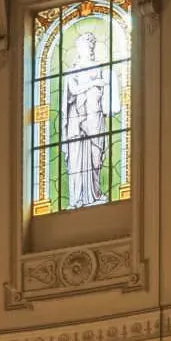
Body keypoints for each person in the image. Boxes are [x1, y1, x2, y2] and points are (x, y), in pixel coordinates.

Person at [61, 27, 110, 210]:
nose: (88, 49)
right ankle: (77, 198)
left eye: (90, 46)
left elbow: (106, 90)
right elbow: (72, 91)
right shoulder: (72, 70)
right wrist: (93, 83)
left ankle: (94, 193)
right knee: (76, 156)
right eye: (84, 46)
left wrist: (98, 86)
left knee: (95, 155)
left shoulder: (99, 67)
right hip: (76, 116)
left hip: (94, 114)